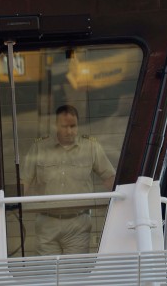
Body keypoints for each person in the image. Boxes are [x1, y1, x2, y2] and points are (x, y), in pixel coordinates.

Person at [21, 104, 116, 255]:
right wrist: (10, 208)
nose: (69, 131)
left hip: (78, 224)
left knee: (75, 273)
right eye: (64, 126)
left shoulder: (91, 147)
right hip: (47, 223)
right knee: (48, 274)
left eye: (73, 126)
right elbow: (24, 183)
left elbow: (110, 179)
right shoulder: (40, 147)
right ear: (55, 126)